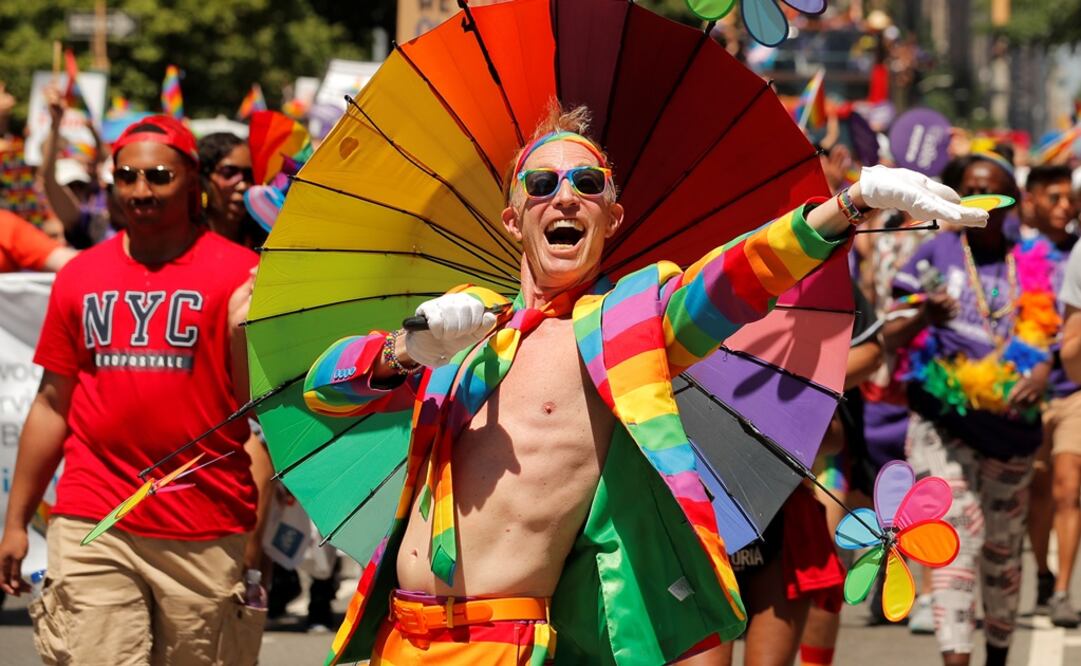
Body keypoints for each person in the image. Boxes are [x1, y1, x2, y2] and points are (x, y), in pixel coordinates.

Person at [302, 104, 986, 665]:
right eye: (540, 186)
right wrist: (401, 348)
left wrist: (848, 202)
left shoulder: (629, 323)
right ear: (513, 220)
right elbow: (321, 392)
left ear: (612, 217)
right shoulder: (460, 324)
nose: (563, 197)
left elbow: (738, 277)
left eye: (586, 185)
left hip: (504, 643)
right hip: (399, 635)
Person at [0, 115, 270, 665]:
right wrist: (15, 520)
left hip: (204, 522)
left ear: (192, 183)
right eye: (126, 176)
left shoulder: (243, 276)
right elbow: (53, 402)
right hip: (93, 519)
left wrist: (248, 333)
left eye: (158, 177)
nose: (140, 190)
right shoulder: (80, 276)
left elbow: (255, 410)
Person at [885, 151, 1042, 666]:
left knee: (1002, 547)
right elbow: (888, 333)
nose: (983, 206)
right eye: (970, 193)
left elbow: (1064, 335)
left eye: (994, 194)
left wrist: (1043, 369)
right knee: (955, 533)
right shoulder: (931, 257)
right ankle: (956, 657)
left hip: (1013, 429)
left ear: (1011, 201)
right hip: (943, 420)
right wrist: (924, 314)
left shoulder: (1037, 258)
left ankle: (998, 652)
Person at [1032, 164, 1081, 627]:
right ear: (1030, 200)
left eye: (1070, 198)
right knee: (1038, 491)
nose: (1065, 206)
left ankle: (1064, 588)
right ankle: (1043, 574)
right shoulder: (1013, 250)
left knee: (1069, 489)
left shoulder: (1079, 251)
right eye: (1054, 198)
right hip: (1024, 389)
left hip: (1073, 388)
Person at [197, 132, 265, 249]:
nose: (243, 185)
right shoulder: (181, 241)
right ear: (204, 178)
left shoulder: (264, 243)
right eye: (229, 172)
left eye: (249, 175)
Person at [0, 210, 76, 273]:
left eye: (67, 235)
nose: (62, 241)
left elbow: (62, 259)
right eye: (53, 236)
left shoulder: (5, 223)